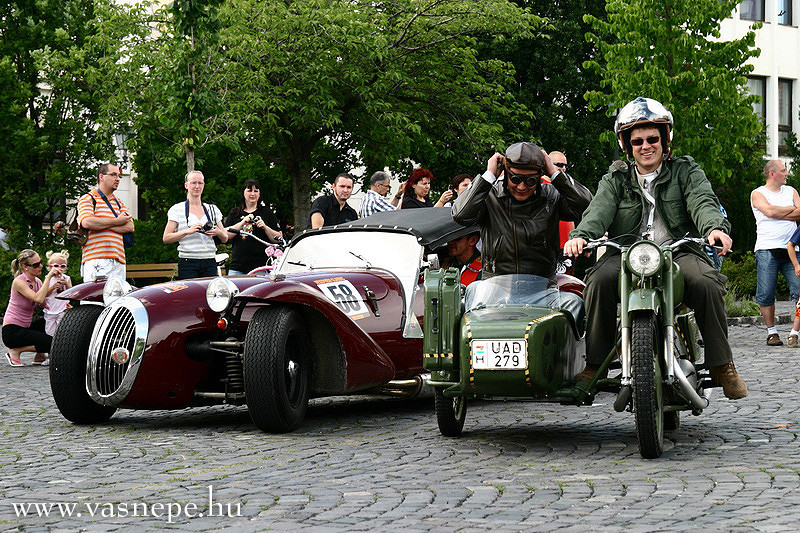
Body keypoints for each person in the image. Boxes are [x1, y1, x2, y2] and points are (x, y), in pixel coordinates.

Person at [563, 96, 747, 400]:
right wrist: (581, 235)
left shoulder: (686, 171)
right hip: (626, 255)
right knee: (596, 281)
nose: (646, 146)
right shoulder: (616, 179)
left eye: (652, 139)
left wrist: (714, 229)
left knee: (706, 282)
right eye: (638, 141)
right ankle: (595, 364)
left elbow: (702, 201)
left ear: (665, 139)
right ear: (627, 145)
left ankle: (722, 364)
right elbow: (599, 210)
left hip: (679, 251)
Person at [452, 142, 592, 323]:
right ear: (506, 174)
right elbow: (460, 214)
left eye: (530, 180)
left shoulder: (551, 195)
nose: (522, 186)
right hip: (495, 288)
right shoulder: (490, 195)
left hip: (542, 290)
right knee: (467, 310)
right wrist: (487, 176)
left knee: (575, 305)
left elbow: (587, 206)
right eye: (516, 179)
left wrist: (556, 174)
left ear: (540, 176)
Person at [750, 160, 800, 346]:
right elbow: (769, 211)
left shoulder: (791, 191)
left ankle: (795, 332)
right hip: (766, 249)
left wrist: (777, 212)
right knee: (766, 292)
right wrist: (790, 210)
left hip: (793, 250)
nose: (787, 174)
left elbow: (799, 212)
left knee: (799, 290)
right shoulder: (758, 193)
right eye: (783, 170)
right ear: (772, 174)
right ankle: (772, 332)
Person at [163, 170, 229, 279]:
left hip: (209, 260)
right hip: (188, 261)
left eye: (200, 183)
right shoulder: (177, 209)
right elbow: (166, 238)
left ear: (204, 185)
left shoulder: (212, 209)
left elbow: (225, 237)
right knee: (190, 295)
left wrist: (217, 232)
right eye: (193, 183)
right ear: (186, 185)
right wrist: (187, 231)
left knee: (209, 294)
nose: (197, 186)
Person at [77, 163, 134, 282]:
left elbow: (130, 226)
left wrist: (101, 225)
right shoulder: (88, 198)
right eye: (113, 175)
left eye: (119, 176)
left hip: (119, 261)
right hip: (96, 258)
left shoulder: (119, 202)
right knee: (95, 299)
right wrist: (117, 221)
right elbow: (87, 222)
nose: (117, 179)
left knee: (117, 300)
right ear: (101, 177)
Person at [2, 250, 59, 366]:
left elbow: (44, 302)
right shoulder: (19, 282)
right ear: (25, 267)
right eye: (36, 265)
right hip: (12, 331)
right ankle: (15, 350)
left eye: (41, 262)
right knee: (53, 343)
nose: (41, 266)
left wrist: (62, 305)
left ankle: (39, 356)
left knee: (51, 323)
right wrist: (48, 278)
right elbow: (37, 299)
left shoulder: (37, 281)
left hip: (26, 327)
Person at [224, 179, 283, 275]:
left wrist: (265, 227)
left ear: (259, 194)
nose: (253, 194)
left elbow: (279, 238)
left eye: (256, 191)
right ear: (243, 193)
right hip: (237, 268)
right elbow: (226, 235)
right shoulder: (235, 212)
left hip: (261, 268)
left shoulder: (266, 212)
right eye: (249, 190)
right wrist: (243, 222)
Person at [43, 250, 72, 336]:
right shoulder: (48, 278)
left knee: (63, 330)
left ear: (66, 268)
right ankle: (50, 346)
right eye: (56, 266)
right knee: (50, 332)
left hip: (63, 308)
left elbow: (71, 293)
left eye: (62, 266)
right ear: (50, 267)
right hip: (50, 308)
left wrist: (66, 284)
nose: (59, 268)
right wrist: (52, 288)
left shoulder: (66, 278)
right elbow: (44, 294)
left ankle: (61, 346)